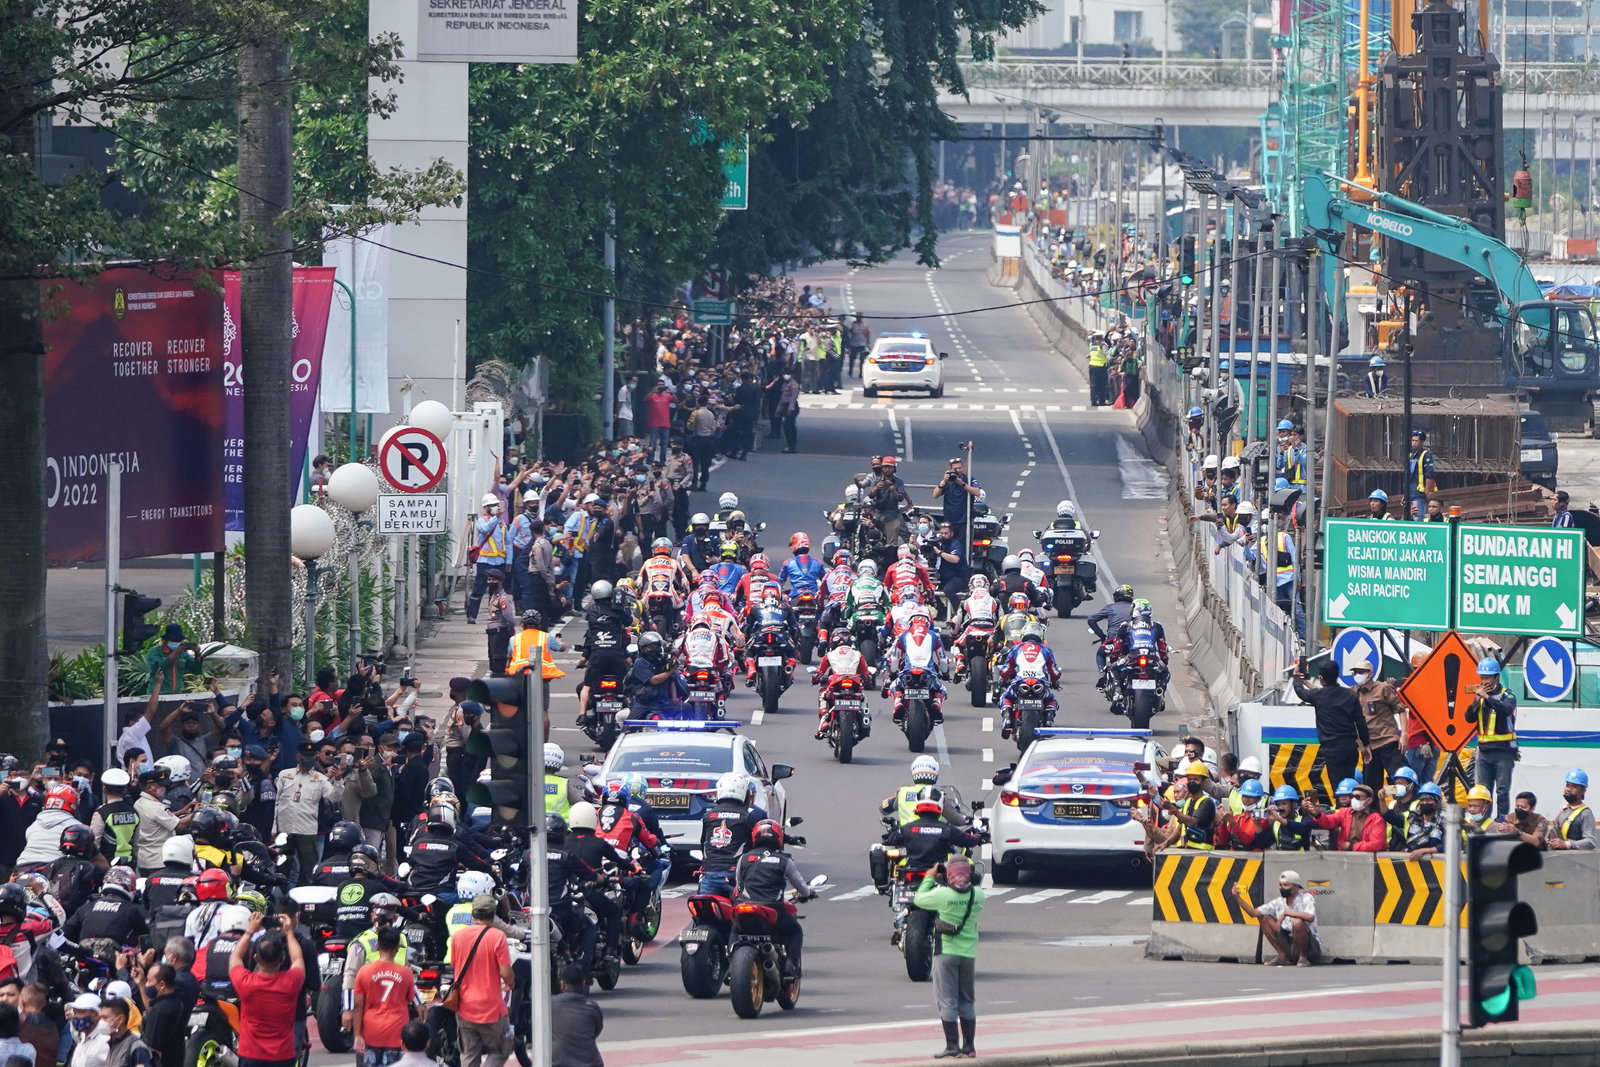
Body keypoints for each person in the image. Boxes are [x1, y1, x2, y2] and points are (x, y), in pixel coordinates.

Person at [914, 856, 983, 1059]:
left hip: (945, 953)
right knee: (967, 1001)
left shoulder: (942, 895)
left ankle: (952, 1045)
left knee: (947, 1001)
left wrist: (929, 876)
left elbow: (919, 899)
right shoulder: (978, 895)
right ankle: (969, 1046)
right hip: (968, 954)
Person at [734, 820, 817, 978]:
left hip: (745, 907)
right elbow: (801, 887)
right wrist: (807, 894)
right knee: (796, 932)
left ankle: (731, 959)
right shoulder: (784, 861)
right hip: (773, 909)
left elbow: (738, 887)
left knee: (734, 929)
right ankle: (790, 965)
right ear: (779, 838)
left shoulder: (743, 859)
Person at [229, 911, 304, 1067]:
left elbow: (235, 957)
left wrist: (250, 931)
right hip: (282, 1056)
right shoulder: (291, 982)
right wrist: (289, 933)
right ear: (282, 959)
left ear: (256, 958)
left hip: (251, 1055)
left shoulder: (246, 983)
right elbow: (298, 959)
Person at [448, 895, 513, 1067]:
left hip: (464, 1006)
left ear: (473, 914)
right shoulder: (497, 936)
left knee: (469, 1054)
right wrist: (511, 982)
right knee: (501, 1049)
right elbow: (505, 972)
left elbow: (455, 964)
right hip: (491, 1007)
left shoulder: (458, 936)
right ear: (494, 914)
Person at [1291, 660, 1371, 787]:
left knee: (1339, 788)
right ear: (1337, 676)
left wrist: (1296, 677)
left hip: (1331, 750)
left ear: (1321, 679)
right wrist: (1366, 745)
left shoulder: (1318, 696)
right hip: (1350, 748)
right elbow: (1361, 722)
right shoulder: (1350, 695)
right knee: (1349, 784)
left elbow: (1301, 692)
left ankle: (1342, 806)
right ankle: (1351, 806)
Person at [274, 742, 343, 886]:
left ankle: (303, 902)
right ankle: (281, 899)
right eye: (305, 755)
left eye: (311, 755)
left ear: (316, 756)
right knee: (282, 867)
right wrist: (274, 828)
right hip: (284, 829)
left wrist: (337, 780)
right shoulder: (285, 775)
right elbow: (276, 802)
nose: (308, 758)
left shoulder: (321, 778)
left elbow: (334, 798)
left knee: (308, 870)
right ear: (298, 755)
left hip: (307, 830)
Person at [352, 925, 415, 1067]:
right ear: (397, 948)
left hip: (371, 1033)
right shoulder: (406, 973)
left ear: (377, 945)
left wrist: (357, 1035)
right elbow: (410, 998)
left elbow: (358, 1006)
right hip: (397, 1034)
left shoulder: (364, 972)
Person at [1232, 870, 1322, 967]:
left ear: (1296, 887)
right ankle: (1283, 956)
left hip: (1310, 948)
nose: (1282, 888)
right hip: (1289, 943)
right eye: (1280, 885)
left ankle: (1303, 957)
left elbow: (1310, 917)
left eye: (1285, 885)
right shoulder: (1278, 902)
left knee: (1297, 922)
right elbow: (1253, 913)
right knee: (1265, 919)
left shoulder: (1306, 898)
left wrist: (1287, 913)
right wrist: (1237, 898)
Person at [1467, 656, 1517, 820]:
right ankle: (1483, 822)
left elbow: (1506, 709)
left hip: (1503, 752)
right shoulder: (1480, 697)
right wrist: (1476, 701)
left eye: (1488, 677)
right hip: (1484, 751)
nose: (1485, 681)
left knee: (1502, 790)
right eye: (1482, 677)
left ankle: (1502, 821)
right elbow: (1468, 718)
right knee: (1483, 790)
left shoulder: (1507, 695)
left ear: (1496, 677)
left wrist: (1487, 698)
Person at [1348, 660, 1405, 783]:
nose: (1357, 674)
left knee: (1401, 780)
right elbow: (1329, 693)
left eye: (1361, 671)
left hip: (1388, 741)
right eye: (1355, 672)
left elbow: (1401, 709)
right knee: (1370, 787)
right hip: (1369, 748)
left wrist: (1404, 735)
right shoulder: (1354, 693)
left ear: (1370, 674)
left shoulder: (1383, 688)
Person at [465, 495, 509, 624]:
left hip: (499, 561)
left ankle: (495, 614)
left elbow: (506, 541)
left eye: (496, 505)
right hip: (485, 562)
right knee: (479, 589)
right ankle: (472, 615)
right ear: (486, 508)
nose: (495, 508)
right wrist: (496, 518)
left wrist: (509, 560)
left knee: (497, 590)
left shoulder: (501, 522)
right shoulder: (481, 521)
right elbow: (485, 529)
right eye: (492, 506)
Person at [550, 964, 604, 1067]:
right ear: (583, 983)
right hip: (590, 1063)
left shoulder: (551, 1005)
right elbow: (597, 1030)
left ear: (562, 985)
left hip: (559, 1063)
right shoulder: (592, 1007)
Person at [135, 965, 186, 1067]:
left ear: (162, 984)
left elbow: (154, 1052)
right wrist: (141, 982)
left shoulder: (160, 1012)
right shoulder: (177, 1002)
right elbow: (150, 1007)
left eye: (149, 981)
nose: (147, 985)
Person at [1548, 769, 1596, 850]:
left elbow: (1590, 842)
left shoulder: (1585, 813)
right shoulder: (1564, 810)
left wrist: (1567, 844)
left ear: (1583, 790)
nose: (1568, 789)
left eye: (1573, 786)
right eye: (1567, 785)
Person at [97, 999, 151, 1067]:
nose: (101, 1021)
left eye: (105, 1017)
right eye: (100, 1018)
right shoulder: (112, 1044)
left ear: (120, 1019)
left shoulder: (136, 1047)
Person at [1407, 428, 1437, 521]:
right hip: (1410, 492)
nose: (1414, 443)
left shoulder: (1426, 455)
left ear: (1422, 442)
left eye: (1416, 441)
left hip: (1419, 492)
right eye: (1412, 440)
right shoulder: (1411, 455)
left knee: (1418, 517)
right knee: (1409, 517)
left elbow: (1429, 474)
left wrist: (1427, 491)